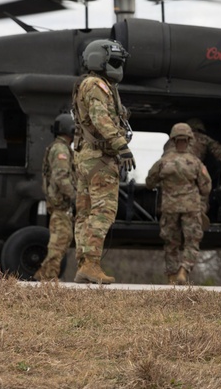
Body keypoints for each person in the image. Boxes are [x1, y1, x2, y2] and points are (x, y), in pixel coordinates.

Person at [71, 39, 133, 284]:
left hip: (86, 157)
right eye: (114, 61)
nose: (117, 66)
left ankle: (84, 265)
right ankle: (91, 264)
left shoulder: (86, 84)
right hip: (99, 158)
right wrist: (122, 147)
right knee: (103, 211)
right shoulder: (97, 85)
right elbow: (101, 119)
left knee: (85, 213)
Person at [146, 122, 212, 285]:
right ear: (189, 140)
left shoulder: (163, 162)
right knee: (192, 241)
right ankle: (184, 270)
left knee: (171, 243)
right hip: (191, 208)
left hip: (169, 208)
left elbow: (149, 182)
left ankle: (171, 277)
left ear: (173, 140)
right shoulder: (196, 163)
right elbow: (206, 188)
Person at [33, 112, 76, 281]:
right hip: (60, 203)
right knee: (60, 239)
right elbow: (61, 177)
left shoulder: (60, 147)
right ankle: (48, 275)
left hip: (60, 203)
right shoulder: (60, 149)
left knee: (63, 238)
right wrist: (74, 196)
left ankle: (44, 274)